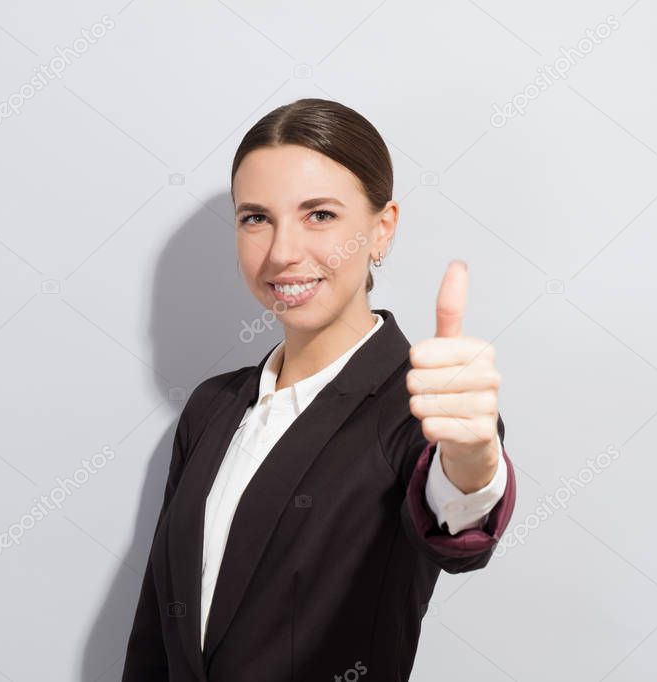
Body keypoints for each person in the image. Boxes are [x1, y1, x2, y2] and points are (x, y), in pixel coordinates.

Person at [122, 98, 516, 681]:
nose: (282, 253)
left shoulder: (419, 406)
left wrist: (474, 458)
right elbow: (157, 631)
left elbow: (458, 520)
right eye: (255, 217)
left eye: (320, 215)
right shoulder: (212, 407)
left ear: (382, 229)